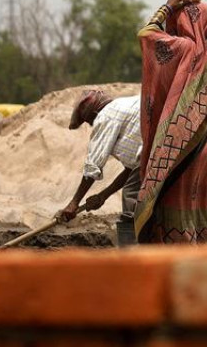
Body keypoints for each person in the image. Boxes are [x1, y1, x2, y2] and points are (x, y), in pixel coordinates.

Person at [133, 0, 207, 244]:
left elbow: (145, 34)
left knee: (173, 210)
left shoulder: (181, 48)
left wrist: (166, 7)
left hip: (182, 147)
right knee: (200, 210)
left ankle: (180, 265)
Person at [57, 89, 143, 246]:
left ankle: (130, 254)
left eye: (89, 121)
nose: (91, 125)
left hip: (154, 152)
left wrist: (74, 203)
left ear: (95, 112)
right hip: (161, 148)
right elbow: (131, 170)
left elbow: (93, 165)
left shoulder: (106, 116)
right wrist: (103, 196)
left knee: (131, 197)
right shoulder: (124, 108)